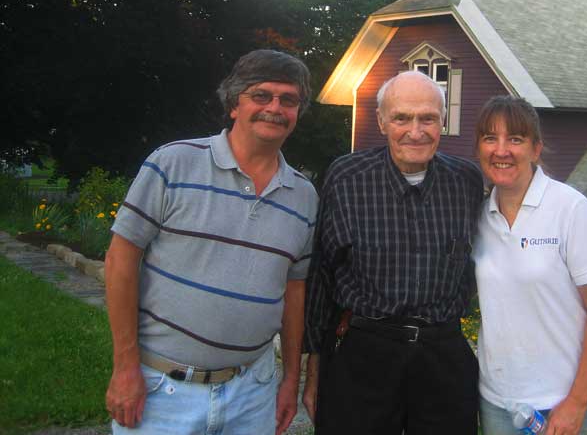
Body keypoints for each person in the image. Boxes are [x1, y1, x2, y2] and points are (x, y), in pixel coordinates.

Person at [104, 50, 317, 435]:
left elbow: (294, 290)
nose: (275, 108)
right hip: (162, 392)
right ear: (234, 104)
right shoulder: (172, 163)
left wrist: (290, 379)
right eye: (262, 95)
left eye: (288, 100)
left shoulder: (304, 196)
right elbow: (120, 260)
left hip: (252, 395)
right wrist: (125, 366)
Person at [303, 70, 485, 435]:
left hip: (442, 355)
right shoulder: (347, 178)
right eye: (402, 117)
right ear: (382, 121)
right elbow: (322, 274)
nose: (415, 131)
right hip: (364, 353)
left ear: (443, 122)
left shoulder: (466, 181)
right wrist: (314, 369)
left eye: (428, 118)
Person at [472, 96, 587, 435]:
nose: (502, 150)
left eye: (516, 139)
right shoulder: (480, 216)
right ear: (479, 147)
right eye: (490, 138)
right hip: (501, 404)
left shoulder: (571, 210)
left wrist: (577, 402)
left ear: (536, 149)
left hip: (571, 404)